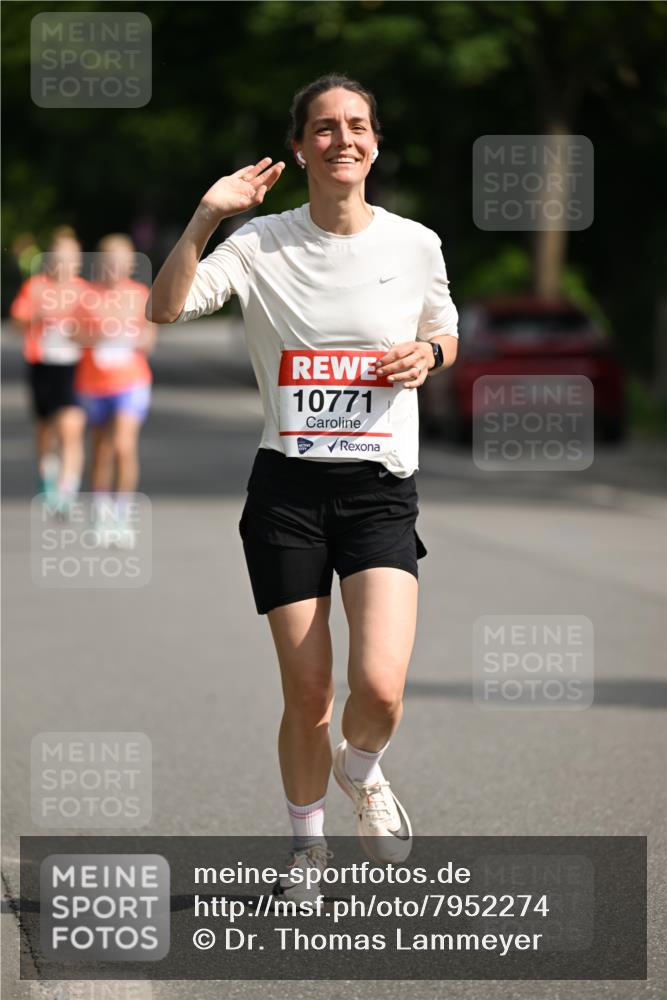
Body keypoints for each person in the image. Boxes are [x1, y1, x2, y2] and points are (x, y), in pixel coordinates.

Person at [147, 74, 459, 898]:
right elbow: (166, 308)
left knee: (381, 687)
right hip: (287, 490)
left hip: (379, 487)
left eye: (357, 125)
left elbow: (445, 328)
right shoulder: (260, 244)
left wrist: (427, 357)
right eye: (324, 127)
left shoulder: (414, 242)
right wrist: (210, 216)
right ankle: (307, 847)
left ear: (375, 143)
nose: (341, 139)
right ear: (299, 147)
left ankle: (362, 771)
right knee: (310, 689)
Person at [75, 233, 157, 546]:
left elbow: (150, 339)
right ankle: (101, 513)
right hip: (93, 383)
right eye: (109, 261)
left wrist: (127, 339)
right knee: (101, 451)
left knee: (123, 445)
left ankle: (122, 517)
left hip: (131, 380)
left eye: (121, 262)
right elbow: (74, 335)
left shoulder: (139, 295)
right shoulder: (87, 296)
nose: (114, 267)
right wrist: (98, 338)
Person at [9, 226, 88, 513]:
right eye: (60, 257)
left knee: (71, 426)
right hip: (41, 363)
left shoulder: (84, 291)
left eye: (71, 257)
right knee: (45, 429)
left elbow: (97, 327)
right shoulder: (36, 287)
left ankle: (67, 489)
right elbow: (16, 323)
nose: (65, 263)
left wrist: (81, 331)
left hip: (74, 366)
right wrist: (36, 317)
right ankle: (47, 474)